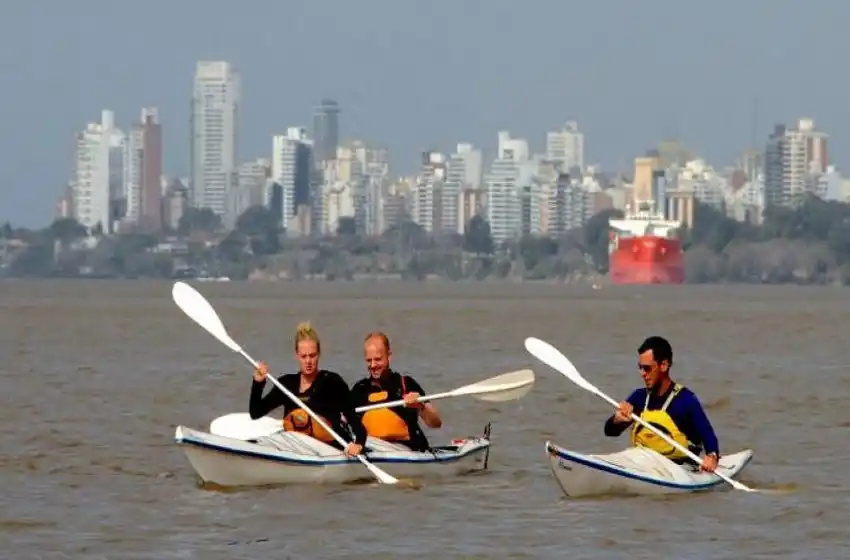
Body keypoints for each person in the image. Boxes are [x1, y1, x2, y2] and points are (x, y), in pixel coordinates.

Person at [249, 321, 366, 458]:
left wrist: (358, 443)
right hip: (296, 446)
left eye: (312, 355)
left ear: (319, 354)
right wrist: (258, 383)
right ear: (297, 355)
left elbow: (353, 418)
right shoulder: (286, 384)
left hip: (328, 447)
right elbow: (255, 412)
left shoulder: (332, 382)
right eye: (304, 356)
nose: (308, 361)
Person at [604, 335, 720, 472]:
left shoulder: (685, 400)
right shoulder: (639, 398)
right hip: (643, 464)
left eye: (647, 368)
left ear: (663, 365)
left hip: (679, 469)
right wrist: (617, 420)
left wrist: (712, 456)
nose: (642, 373)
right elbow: (610, 432)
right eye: (640, 368)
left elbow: (707, 434)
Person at [349, 331, 442, 451]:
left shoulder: (405, 384)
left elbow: (435, 424)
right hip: (371, 449)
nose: (373, 365)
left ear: (389, 356)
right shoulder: (359, 389)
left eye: (378, 359)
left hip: (407, 450)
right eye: (368, 360)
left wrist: (421, 406)